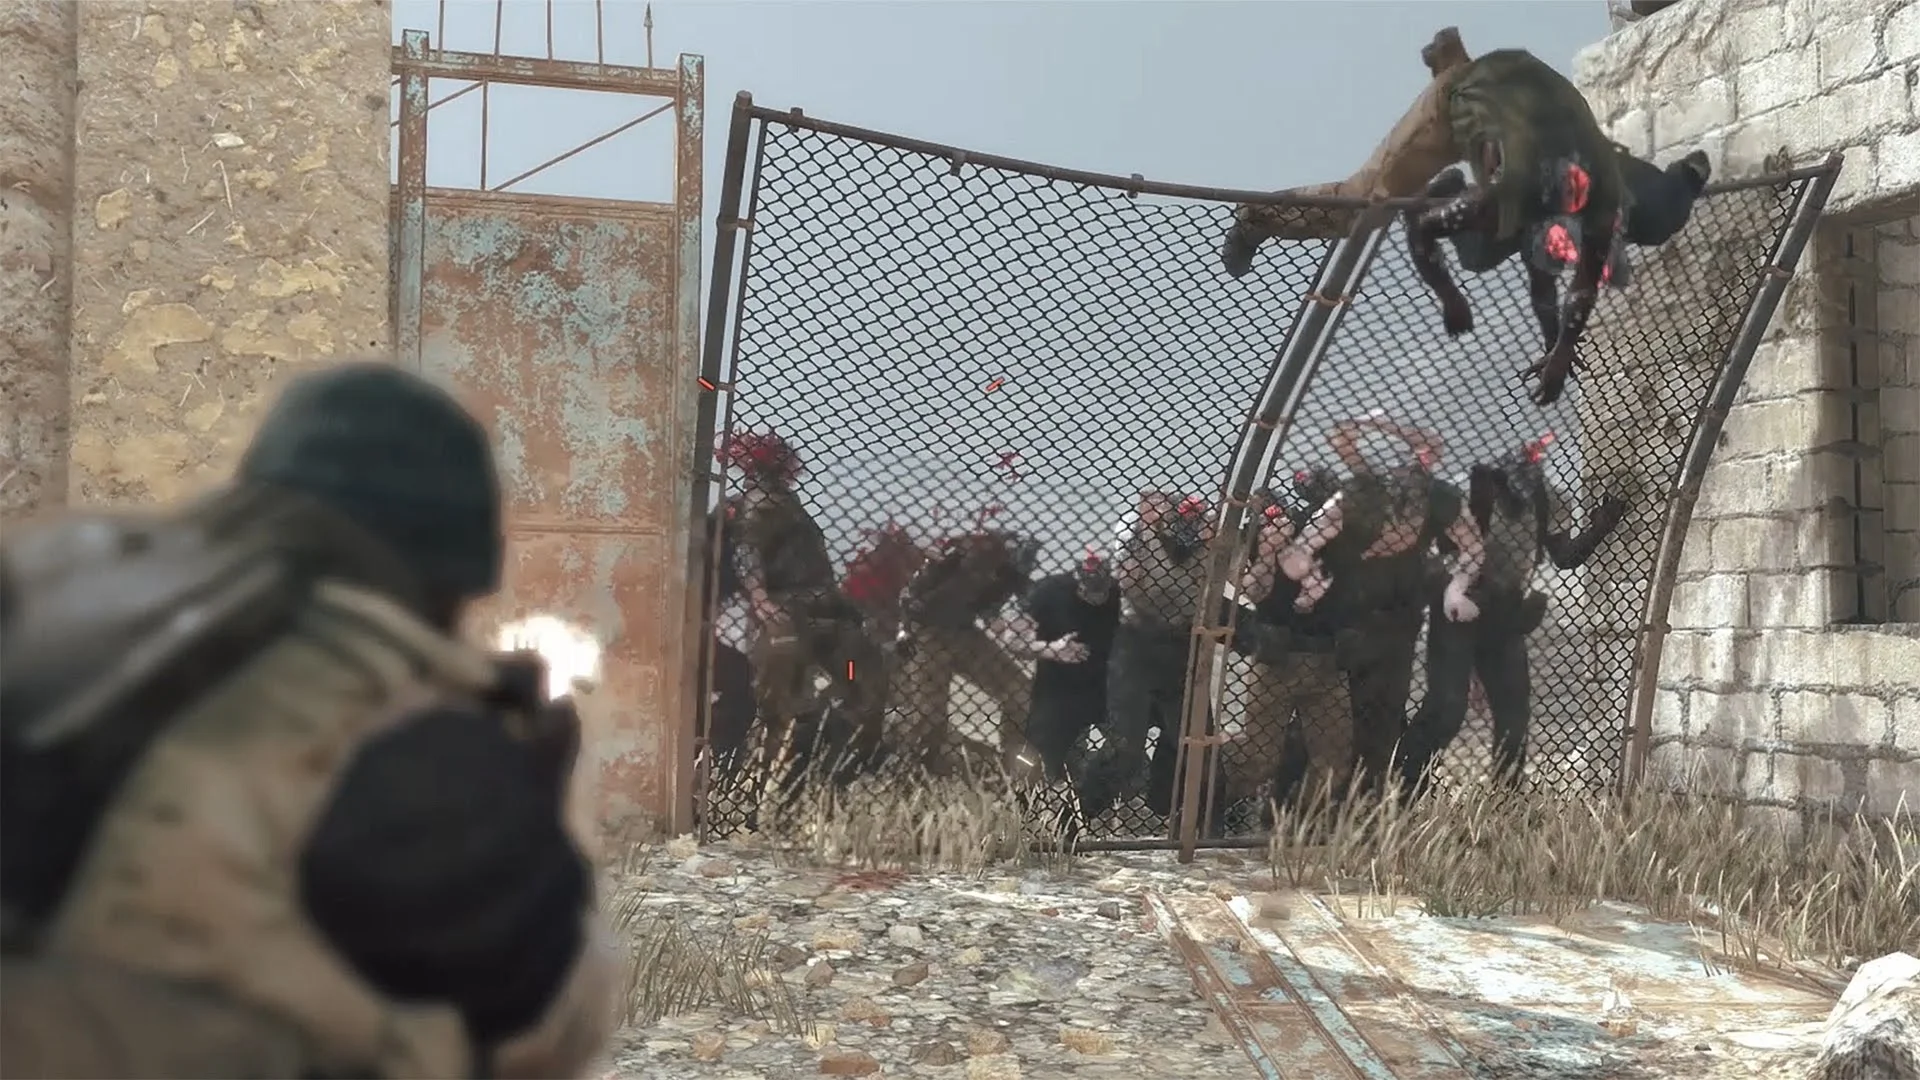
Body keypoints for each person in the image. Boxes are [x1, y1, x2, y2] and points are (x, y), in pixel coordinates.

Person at [0, 360, 615, 1078]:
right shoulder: (416, 750)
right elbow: (548, 1028)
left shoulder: (62, 605)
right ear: (454, 576)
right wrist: (542, 803)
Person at [1219, 28, 1632, 405]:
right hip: (1452, 110)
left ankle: (1450, 60)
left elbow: (1573, 283)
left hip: (1509, 103)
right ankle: (1258, 217)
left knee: (1492, 248)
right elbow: (1434, 231)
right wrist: (1449, 295)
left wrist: (1559, 347)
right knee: (1362, 207)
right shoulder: (1518, 175)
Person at [1401, 433, 1629, 791]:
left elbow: (1564, 556)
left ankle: (1507, 791)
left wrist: (1601, 526)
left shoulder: (1545, 499)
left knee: (1513, 711)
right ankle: (1406, 781)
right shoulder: (1472, 495)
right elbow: (1440, 555)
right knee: (1447, 706)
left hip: (1504, 613)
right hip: (1462, 608)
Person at [1273, 415, 1486, 793]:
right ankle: (1286, 799)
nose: (1401, 528)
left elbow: (1473, 549)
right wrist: (1304, 574)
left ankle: (1365, 802)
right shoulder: (1356, 497)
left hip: (1397, 622)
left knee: (1382, 721)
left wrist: (1457, 589)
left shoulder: (1440, 498)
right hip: (1341, 620)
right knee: (1325, 718)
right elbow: (1304, 546)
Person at [722, 430, 885, 790]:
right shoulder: (761, 504)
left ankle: (816, 760)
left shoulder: (781, 504)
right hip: (788, 618)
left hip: (816, 617)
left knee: (849, 677)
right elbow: (748, 551)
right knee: (786, 697)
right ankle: (772, 775)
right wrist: (762, 599)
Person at [893, 516, 1042, 777]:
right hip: (927, 633)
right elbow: (910, 595)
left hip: (964, 631)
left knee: (1021, 694)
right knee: (929, 717)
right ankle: (916, 770)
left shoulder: (1008, 575)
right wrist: (904, 631)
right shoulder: (957, 560)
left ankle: (1014, 765)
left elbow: (1004, 607)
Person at [998, 547, 1122, 783]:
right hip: (1057, 688)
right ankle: (1034, 788)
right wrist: (1051, 650)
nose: (1095, 598)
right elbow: (1012, 640)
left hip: (1106, 685)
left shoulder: (1119, 595)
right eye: (1088, 590)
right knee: (1040, 760)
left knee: (1124, 748)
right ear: (1078, 579)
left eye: (1101, 591)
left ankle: (1097, 787)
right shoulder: (1049, 592)